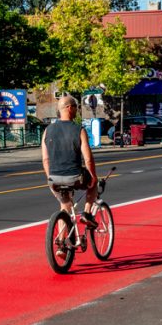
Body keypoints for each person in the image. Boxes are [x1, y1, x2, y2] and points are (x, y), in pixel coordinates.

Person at [42, 95, 98, 229]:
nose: (77, 110)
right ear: (69, 108)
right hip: (74, 177)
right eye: (76, 107)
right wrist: (93, 176)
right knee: (93, 185)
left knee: (65, 205)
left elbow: (45, 159)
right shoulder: (79, 130)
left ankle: (62, 242)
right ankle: (87, 212)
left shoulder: (47, 131)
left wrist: (50, 177)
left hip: (53, 179)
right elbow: (88, 159)